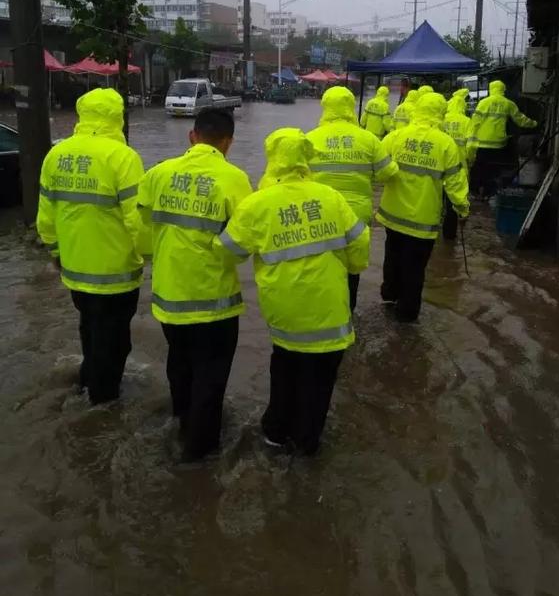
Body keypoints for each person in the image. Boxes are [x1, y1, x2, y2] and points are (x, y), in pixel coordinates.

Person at [215, 128, 370, 455]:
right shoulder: (330, 196)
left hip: (285, 312)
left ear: (272, 158)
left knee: (285, 368)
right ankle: (307, 442)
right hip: (329, 311)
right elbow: (360, 240)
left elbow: (227, 252)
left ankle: (275, 433)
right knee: (321, 380)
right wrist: (352, 268)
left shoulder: (257, 204)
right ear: (306, 157)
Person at [136, 109, 252, 463]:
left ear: (192, 136)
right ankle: (199, 452)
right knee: (211, 373)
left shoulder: (157, 174)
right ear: (228, 142)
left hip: (169, 297)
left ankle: (182, 420)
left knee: (180, 361)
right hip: (213, 301)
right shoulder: (234, 180)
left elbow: (143, 233)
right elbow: (242, 246)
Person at [36, 88, 144, 405]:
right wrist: (149, 256)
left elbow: (46, 218)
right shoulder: (122, 158)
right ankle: (103, 405)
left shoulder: (56, 155)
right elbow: (136, 220)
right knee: (115, 342)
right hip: (116, 274)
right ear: (117, 117)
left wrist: (56, 253)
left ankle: (86, 384)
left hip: (75, 271)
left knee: (90, 330)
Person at [378, 93, 469, 322]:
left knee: (392, 256)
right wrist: (462, 208)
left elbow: (379, 169)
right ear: (440, 113)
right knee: (415, 267)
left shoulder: (396, 136)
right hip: (422, 219)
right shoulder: (445, 143)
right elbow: (455, 182)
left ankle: (389, 295)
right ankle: (407, 314)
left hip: (392, 214)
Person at [306, 86, 398, 311]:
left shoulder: (309, 140)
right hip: (357, 216)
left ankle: (323, 314)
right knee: (352, 267)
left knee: (320, 265)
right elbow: (388, 174)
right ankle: (348, 316)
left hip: (318, 215)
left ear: (325, 106)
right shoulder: (368, 139)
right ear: (350, 107)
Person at [470, 79, 537, 197]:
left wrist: (471, 139)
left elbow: (475, 122)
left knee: (480, 167)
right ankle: (489, 193)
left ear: (491, 89)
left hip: (482, 143)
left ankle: (475, 190)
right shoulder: (508, 103)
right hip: (498, 143)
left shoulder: (484, 103)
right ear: (503, 90)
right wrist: (535, 124)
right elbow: (520, 120)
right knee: (494, 169)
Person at [442, 88, 477, 240]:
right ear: (463, 106)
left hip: (439, 166)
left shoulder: (441, 119)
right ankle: (449, 235)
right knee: (453, 201)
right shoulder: (467, 121)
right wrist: (470, 160)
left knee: (436, 198)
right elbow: (471, 146)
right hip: (459, 167)